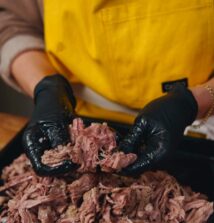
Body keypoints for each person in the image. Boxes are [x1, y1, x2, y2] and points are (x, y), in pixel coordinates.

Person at [0, 0, 214, 176]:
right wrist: (46, 86)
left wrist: (199, 99)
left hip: (203, 123)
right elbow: (11, 21)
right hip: (78, 124)